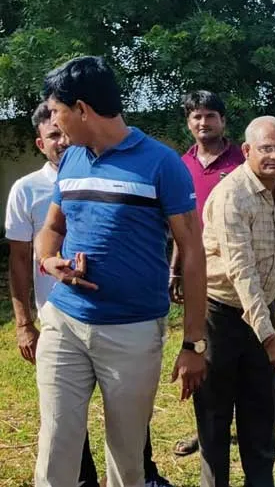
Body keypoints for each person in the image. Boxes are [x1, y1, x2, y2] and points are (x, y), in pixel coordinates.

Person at [33, 56, 207, 487]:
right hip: (65, 321)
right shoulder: (71, 160)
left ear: (82, 109)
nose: (54, 123)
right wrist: (50, 260)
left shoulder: (160, 163)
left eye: (57, 111)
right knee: (56, 443)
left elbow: (192, 252)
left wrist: (193, 343)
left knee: (127, 456)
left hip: (131, 331)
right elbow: (52, 228)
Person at [6, 103, 175, 487]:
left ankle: (142, 475)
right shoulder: (28, 189)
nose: (62, 140)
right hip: (61, 317)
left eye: (64, 130)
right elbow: (20, 257)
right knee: (61, 433)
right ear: (40, 143)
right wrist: (25, 320)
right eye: (53, 135)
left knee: (128, 434)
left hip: (124, 323)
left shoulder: (124, 169)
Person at [171, 91, 275, 459]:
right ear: (249, 151)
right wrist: (177, 266)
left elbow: (271, 254)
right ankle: (212, 445)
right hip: (219, 304)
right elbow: (235, 265)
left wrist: (266, 326)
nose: (274, 155)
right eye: (266, 148)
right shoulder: (195, 171)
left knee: (258, 399)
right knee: (214, 403)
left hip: (260, 299)